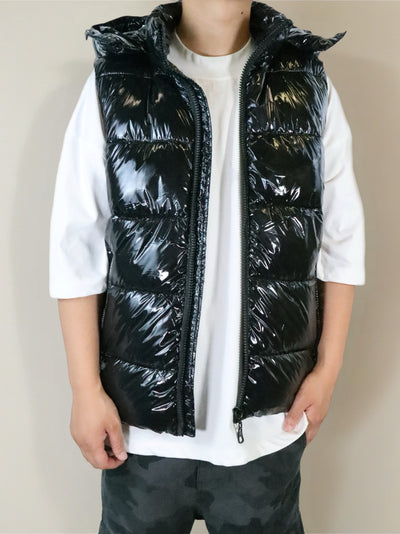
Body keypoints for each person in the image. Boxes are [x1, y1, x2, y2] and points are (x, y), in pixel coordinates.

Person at [49, 0, 365, 532]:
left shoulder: (307, 83)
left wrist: (328, 372)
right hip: (140, 431)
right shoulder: (118, 78)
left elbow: (341, 241)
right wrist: (84, 390)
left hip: (266, 429)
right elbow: (75, 248)